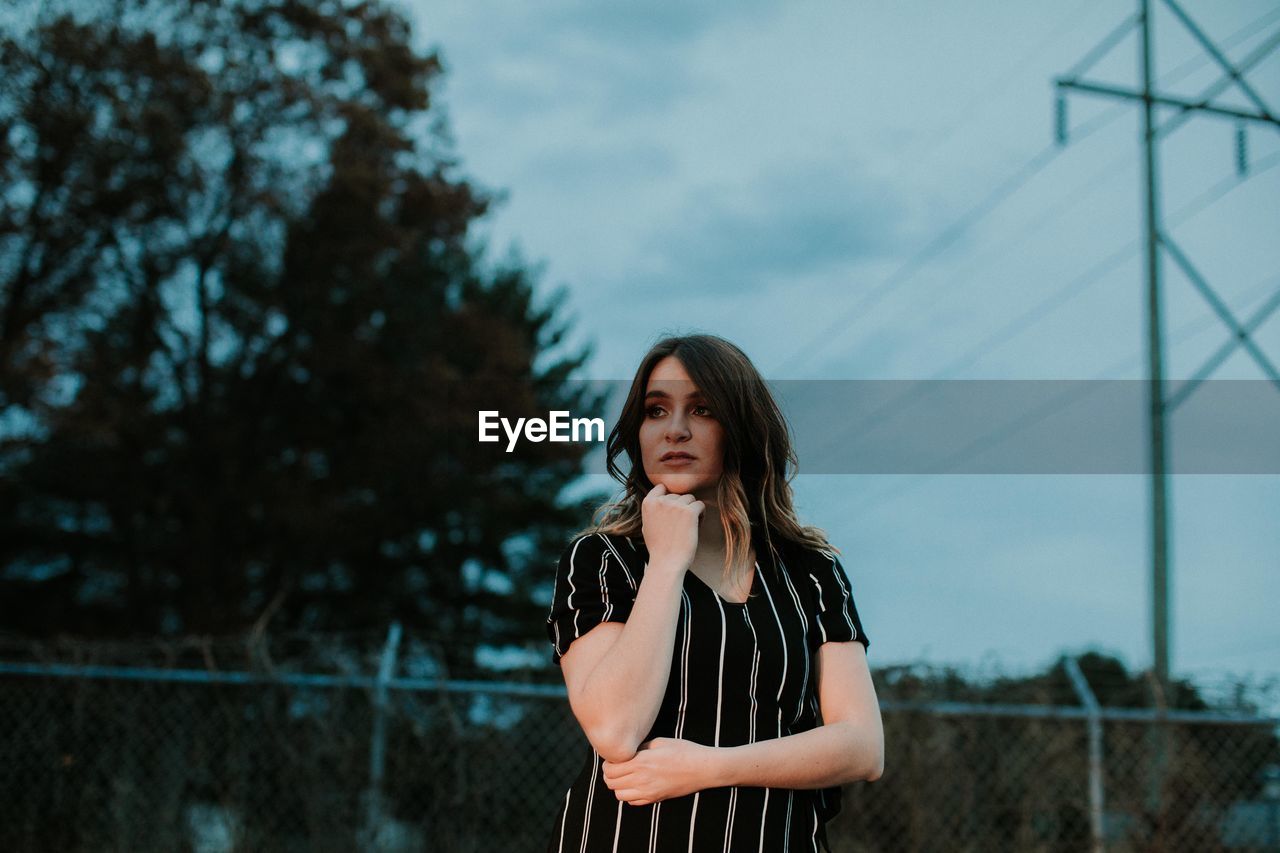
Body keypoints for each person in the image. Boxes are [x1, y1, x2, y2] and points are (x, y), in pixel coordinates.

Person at [545, 333, 883, 853]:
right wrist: (667, 562)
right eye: (656, 411)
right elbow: (614, 729)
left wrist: (707, 768)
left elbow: (862, 747)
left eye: (701, 409)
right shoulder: (599, 560)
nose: (675, 430)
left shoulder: (813, 573)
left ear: (740, 428)